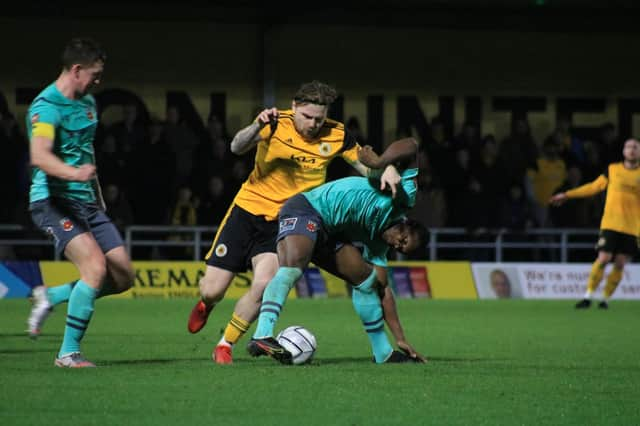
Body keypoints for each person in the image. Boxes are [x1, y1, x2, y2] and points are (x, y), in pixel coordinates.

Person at [187, 80, 404, 364]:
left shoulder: (336, 133)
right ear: (294, 107)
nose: (313, 124)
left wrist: (384, 169)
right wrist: (256, 126)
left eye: (319, 118)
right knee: (212, 288)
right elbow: (236, 147)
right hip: (247, 210)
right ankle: (207, 304)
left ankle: (225, 343)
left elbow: (364, 163)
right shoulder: (275, 122)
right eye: (307, 117)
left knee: (266, 282)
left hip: (289, 219)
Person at [248, 138, 427, 364]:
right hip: (307, 209)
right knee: (294, 265)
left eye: (401, 249)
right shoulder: (402, 198)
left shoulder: (378, 243)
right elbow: (412, 145)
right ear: (406, 224)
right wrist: (382, 162)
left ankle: (383, 353)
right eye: (403, 240)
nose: (397, 245)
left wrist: (401, 338)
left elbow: (383, 289)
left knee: (367, 281)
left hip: (329, 232)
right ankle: (262, 334)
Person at [25, 38, 135, 367]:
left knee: (123, 277)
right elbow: (39, 155)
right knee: (95, 268)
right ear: (76, 70)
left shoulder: (88, 102)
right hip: (52, 201)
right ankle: (68, 353)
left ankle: (53, 295)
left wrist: (96, 191)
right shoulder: (46, 106)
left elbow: (86, 152)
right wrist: (74, 175)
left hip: (86, 201)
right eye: (95, 74)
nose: (98, 81)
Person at [550, 138, 640, 309]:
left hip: (632, 227)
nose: (632, 150)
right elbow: (593, 187)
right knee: (604, 258)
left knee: (620, 263)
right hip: (611, 224)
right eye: (628, 146)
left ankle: (605, 299)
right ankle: (588, 296)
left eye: (635, 147)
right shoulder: (613, 170)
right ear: (623, 151)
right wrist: (567, 195)